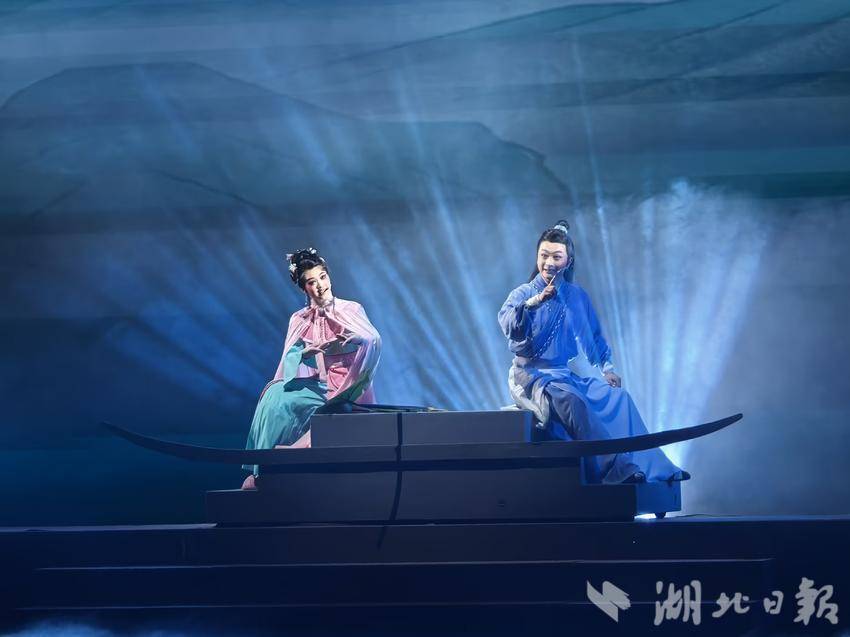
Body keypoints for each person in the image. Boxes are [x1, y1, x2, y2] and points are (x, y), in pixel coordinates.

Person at [497, 221, 688, 484]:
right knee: (573, 402)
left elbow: (592, 336)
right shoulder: (523, 293)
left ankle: (656, 469)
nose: (549, 263)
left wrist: (607, 369)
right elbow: (509, 324)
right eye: (544, 255)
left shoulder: (576, 296)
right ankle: (616, 469)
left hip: (564, 376)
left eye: (556, 257)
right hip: (533, 377)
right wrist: (535, 302)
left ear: (568, 260)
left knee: (618, 399)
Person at [241, 248, 381, 489]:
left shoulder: (351, 309)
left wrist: (359, 340)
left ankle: (284, 466)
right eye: (311, 282)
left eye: (322, 277)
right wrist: (305, 353)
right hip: (321, 385)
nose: (320, 286)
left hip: (349, 386)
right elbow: (289, 357)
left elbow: (374, 340)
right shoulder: (300, 318)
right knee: (274, 395)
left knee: (327, 409)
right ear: (304, 288)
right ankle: (264, 466)